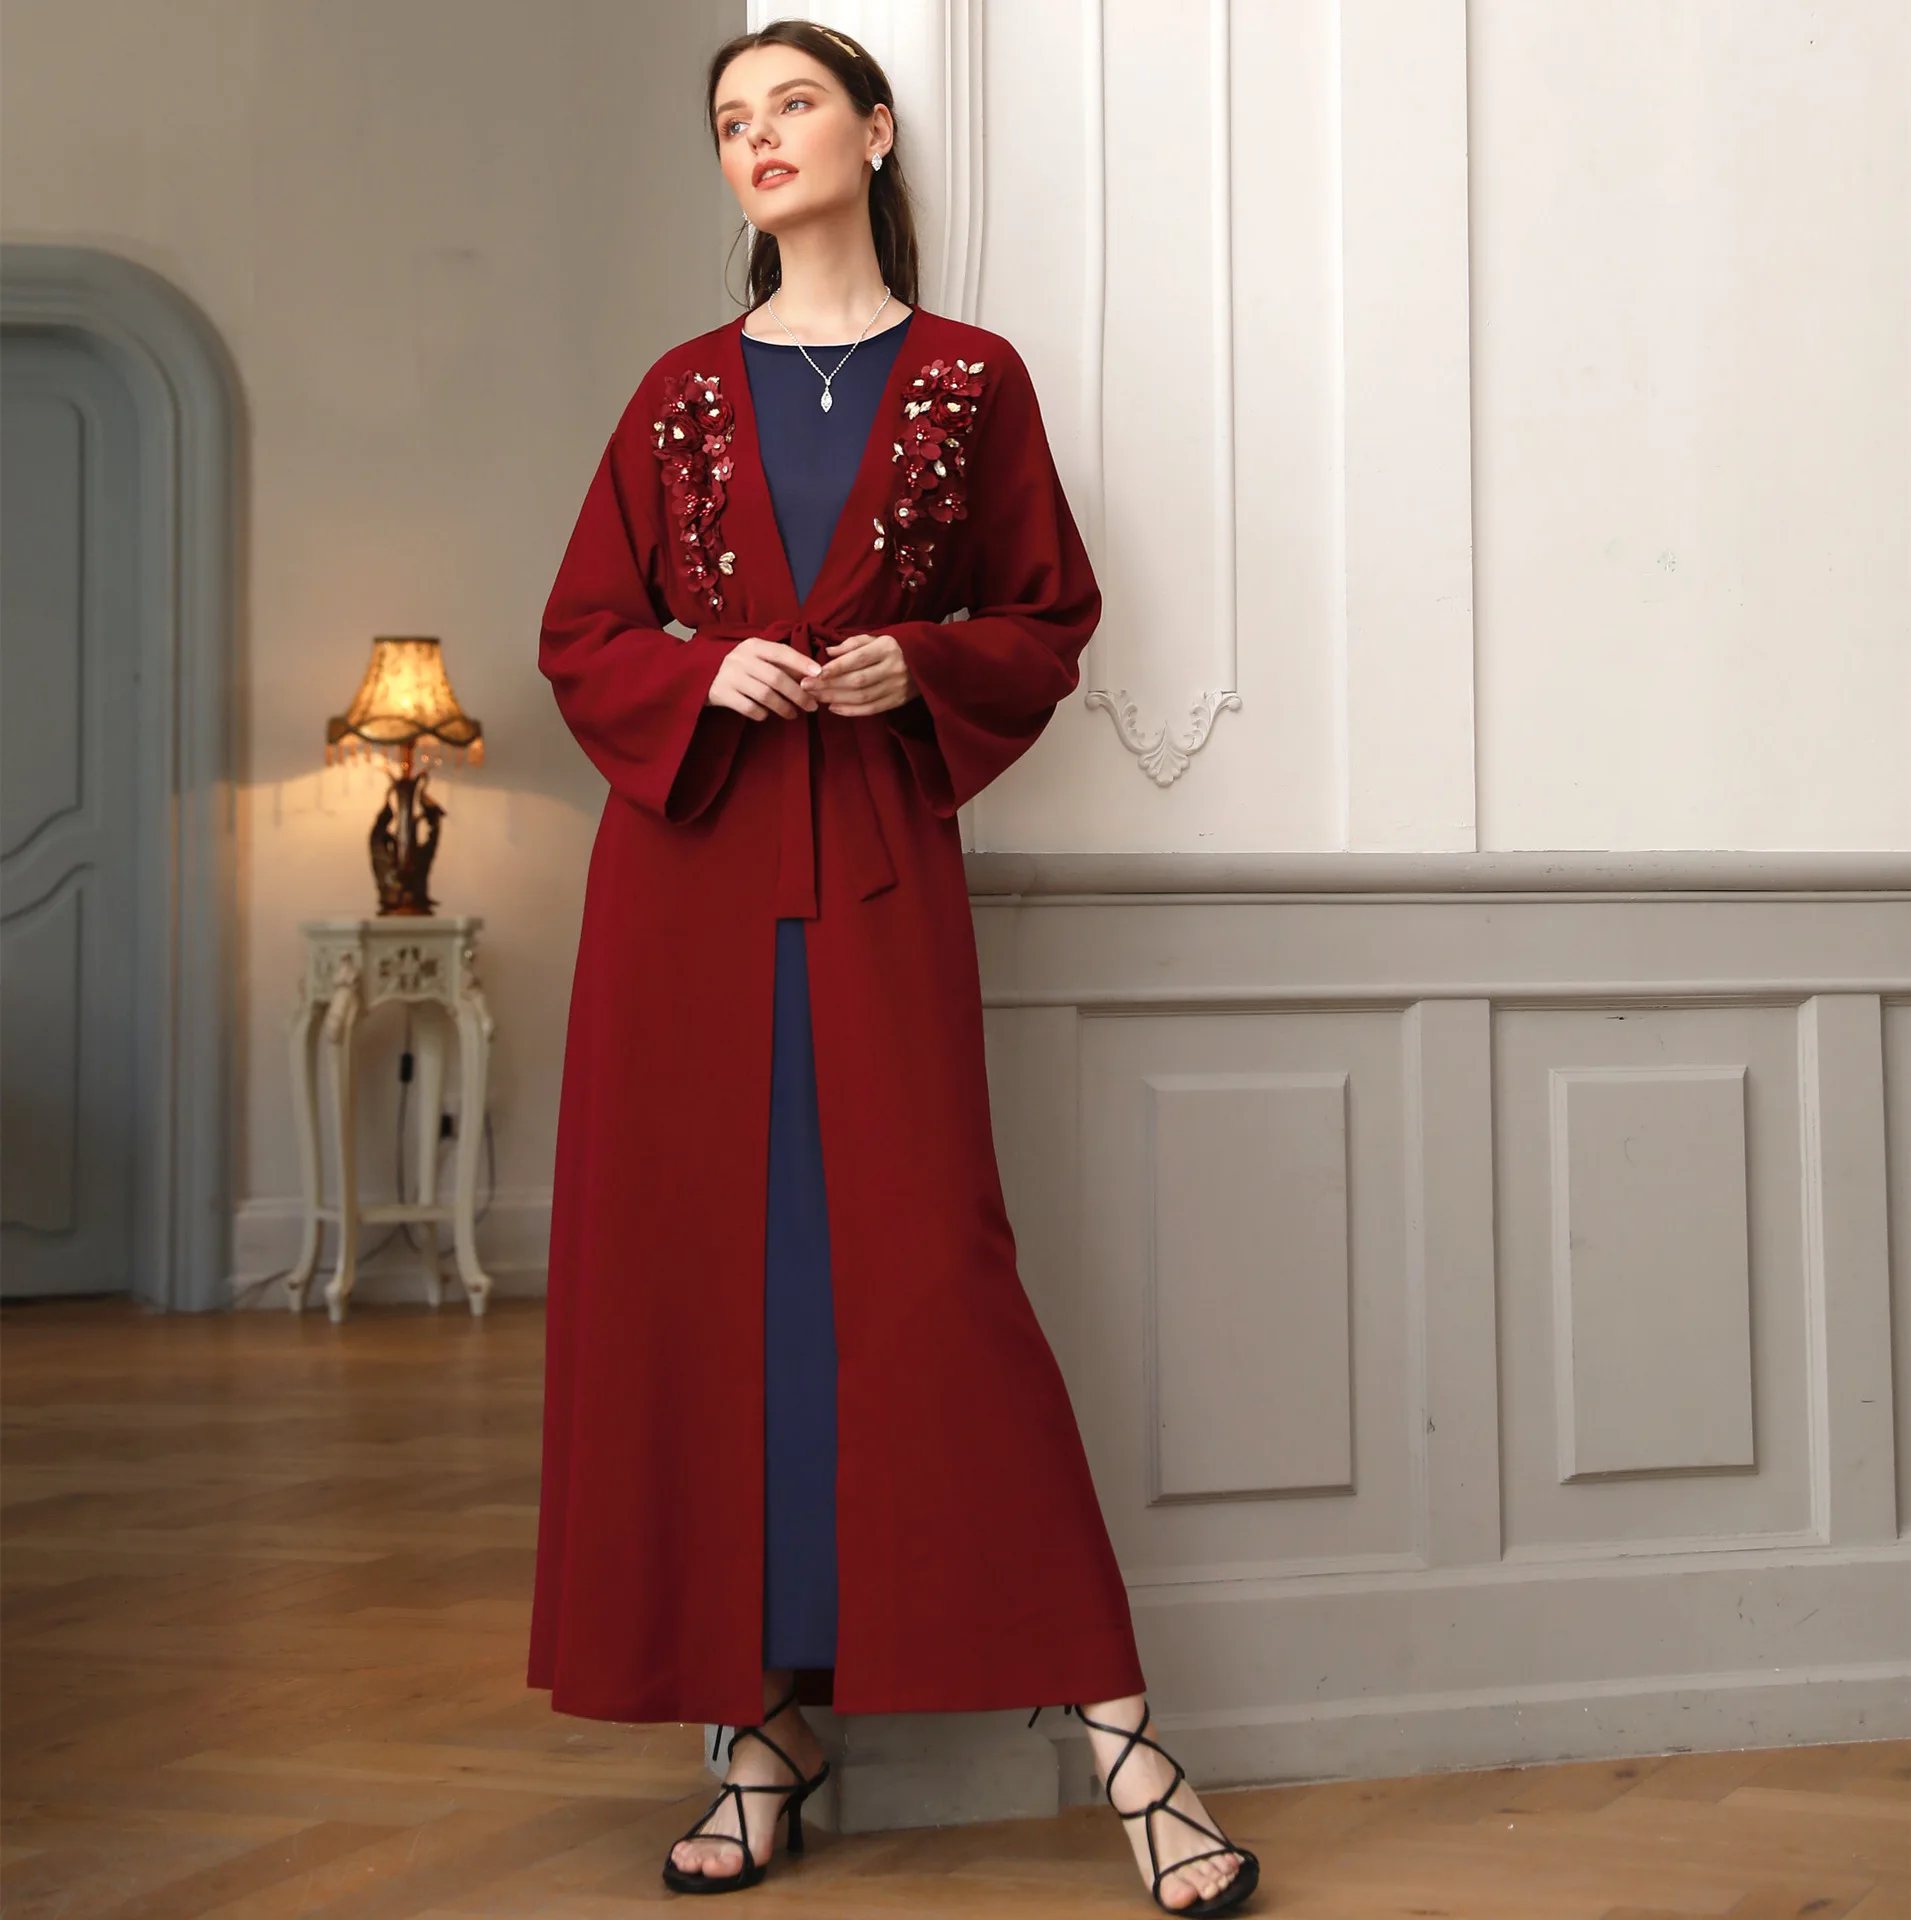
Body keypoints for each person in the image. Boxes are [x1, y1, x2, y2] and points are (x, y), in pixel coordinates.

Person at [529, 20, 1258, 1915]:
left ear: (869, 132)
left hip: (870, 874)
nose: (757, 139)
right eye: (729, 121)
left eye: (790, 105)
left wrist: (910, 664)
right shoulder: (678, 392)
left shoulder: (969, 380)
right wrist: (705, 669)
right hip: (685, 896)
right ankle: (761, 1734)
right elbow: (582, 630)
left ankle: (1128, 1750)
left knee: (935, 1284)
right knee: (705, 1296)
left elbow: (1049, 611)